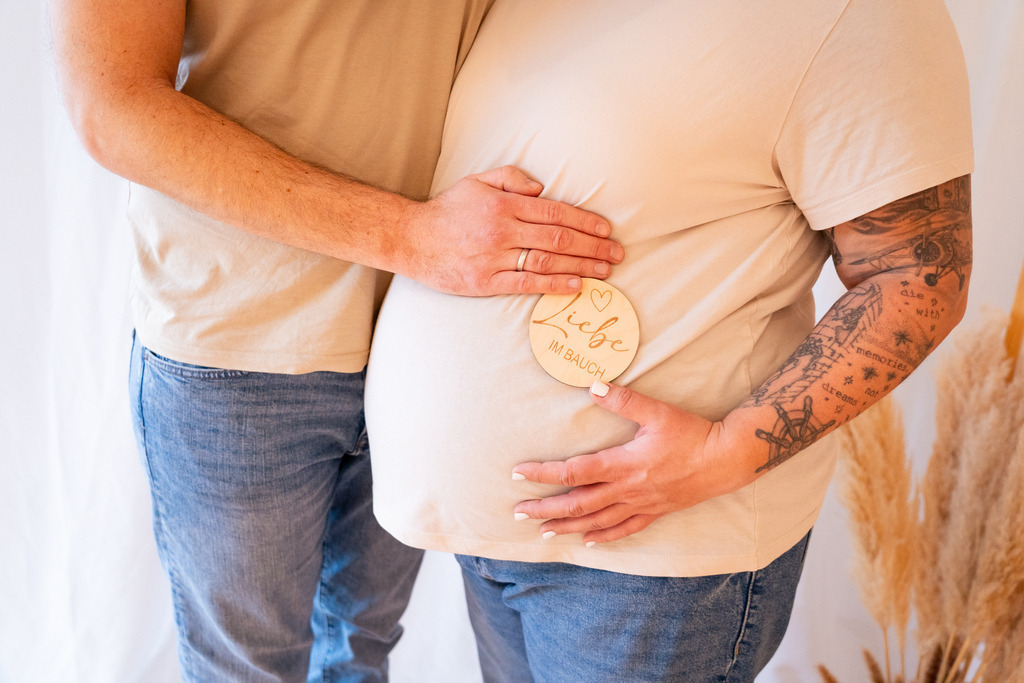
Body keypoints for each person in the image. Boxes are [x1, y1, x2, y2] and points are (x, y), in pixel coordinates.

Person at [364, 0, 974, 680]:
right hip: (491, 542)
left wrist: (727, 452)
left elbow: (920, 274)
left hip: (650, 568)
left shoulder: (862, 15)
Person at [49, 1, 625, 681]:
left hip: (426, 337)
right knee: (248, 668)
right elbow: (110, 104)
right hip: (240, 345)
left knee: (361, 642)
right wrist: (409, 236)